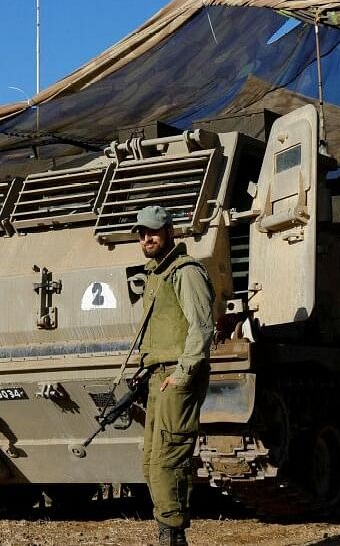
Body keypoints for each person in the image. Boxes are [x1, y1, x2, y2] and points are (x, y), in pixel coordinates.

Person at [132, 205, 214, 546]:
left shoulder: (186, 271)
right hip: (157, 377)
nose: (147, 237)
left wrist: (182, 375)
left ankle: (173, 537)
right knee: (151, 462)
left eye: (154, 231)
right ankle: (167, 533)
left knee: (168, 460)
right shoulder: (157, 274)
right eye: (142, 233)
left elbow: (202, 326)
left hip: (176, 377)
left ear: (170, 233)